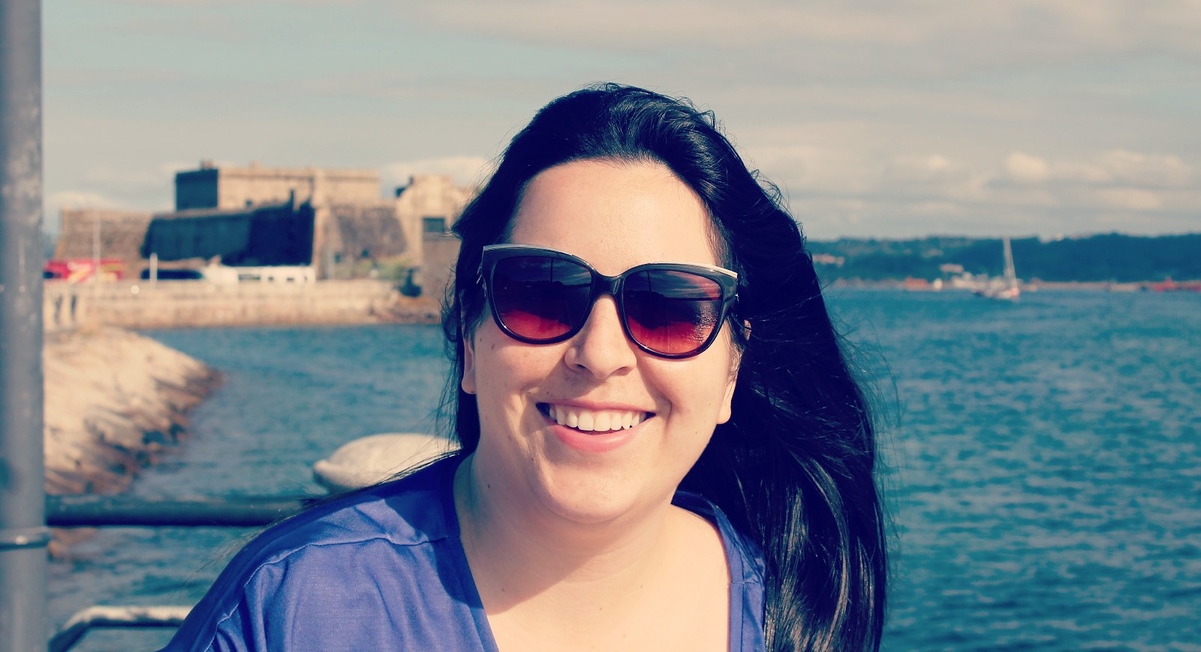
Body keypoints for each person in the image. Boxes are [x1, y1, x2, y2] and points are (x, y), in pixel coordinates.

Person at [161, 84, 888, 652]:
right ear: (468, 337)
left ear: (732, 368)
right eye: (541, 294)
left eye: (669, 306)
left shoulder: (791, 608)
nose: (600, 354)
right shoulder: (299, 610)